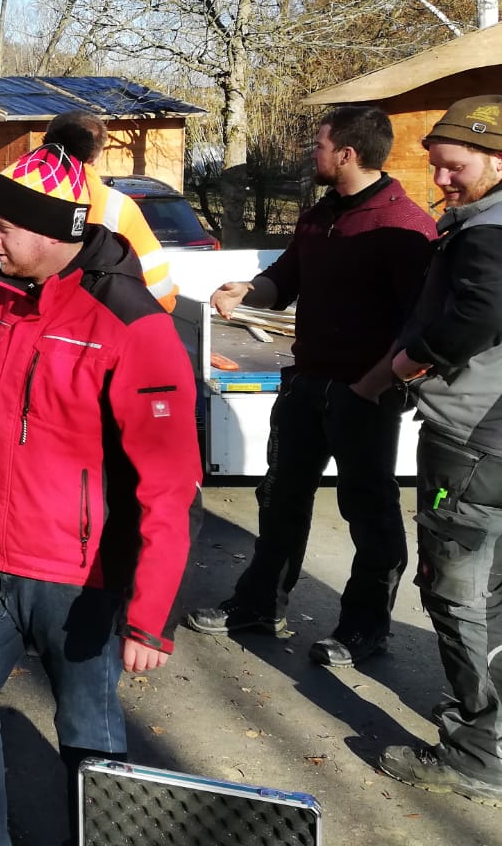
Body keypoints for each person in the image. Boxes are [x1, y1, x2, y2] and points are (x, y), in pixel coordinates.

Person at [0, 144, 202, 846]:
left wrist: (151, 614)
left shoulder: (132, 324)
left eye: (2, 230)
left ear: (50, 235)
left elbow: (170, 480)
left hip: (78, 576)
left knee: (89, 730)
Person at [183, 106, 436, 667]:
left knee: (368, 511)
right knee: (280, 500)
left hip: (364, 394)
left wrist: (376, 385)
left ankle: (365, 627)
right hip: (305, 385)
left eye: (318, 145)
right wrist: (246, 290)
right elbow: (287, 279)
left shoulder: (403, 227)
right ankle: (259, 605)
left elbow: (420, 327)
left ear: (347, 153)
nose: (310, 154)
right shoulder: (322, 214)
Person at [355, 96, 502, 805]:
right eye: (435, 167)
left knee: (456, 594)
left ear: (497, 161)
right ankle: (491, 727)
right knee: (494, 593)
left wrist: (401, 366)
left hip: (472, 443)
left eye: (453, 168)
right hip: (492, 441)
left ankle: (478, 755)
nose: (439, 180)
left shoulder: (489, 233)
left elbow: (475, 315)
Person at [0, 111, 178, 311]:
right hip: (81, 336)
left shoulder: (0, 189)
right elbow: (158, 293)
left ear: (45, 142)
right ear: (96, 155)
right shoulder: (117, 206)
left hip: (6, 317)